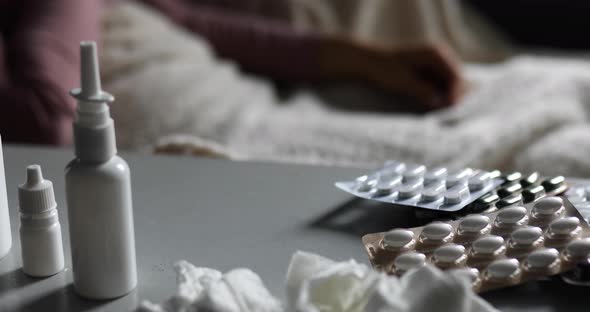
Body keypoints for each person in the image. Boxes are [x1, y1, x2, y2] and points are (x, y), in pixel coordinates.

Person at [0, 0, 463, 145]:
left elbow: (214, 30)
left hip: (267, 105)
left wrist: (373, 59)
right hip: (222, 146)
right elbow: (50, 120)